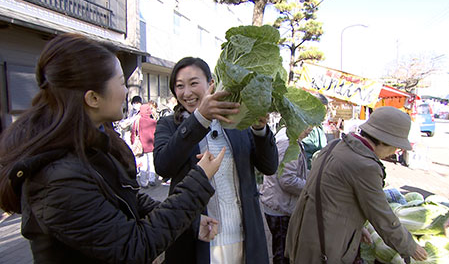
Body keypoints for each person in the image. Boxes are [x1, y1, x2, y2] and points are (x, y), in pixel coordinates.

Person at [0, 33, 225, 263]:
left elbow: (129, 200)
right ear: (93, 98)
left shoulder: (93, 143)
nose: (127, 92)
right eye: (120, 82)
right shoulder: (58, 178)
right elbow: (133, 247)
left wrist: (191, 222)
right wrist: (199, 180)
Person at [153, 57, 279, 264]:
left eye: (194, 83)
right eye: (179, 86)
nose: (187, 93)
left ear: (211, 83)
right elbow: (163, 166)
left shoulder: (236, 121)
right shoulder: (169, 125)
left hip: (245, 238)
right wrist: (200, 118)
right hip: (198, 241)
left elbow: (269, 166)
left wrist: (259, 128)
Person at [285, 106, 428, 264]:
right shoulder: (366, 166)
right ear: (382, 140)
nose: (395, 151)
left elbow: (333, 197)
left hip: (304, 234)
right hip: (324, 245)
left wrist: (357, 227)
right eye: (395, 146)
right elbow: (382, 216)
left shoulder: (336, 145)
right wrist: (410, 246)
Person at [260, 126, 312, 264]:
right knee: (283, 254)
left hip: (280, 204)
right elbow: (287, 180)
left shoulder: (292, 138)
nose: (310, 130)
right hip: (280, 207)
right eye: (307, 125)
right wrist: (310, 187)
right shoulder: (288, 142)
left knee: (283, 251)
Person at [132, 104, 158, 188]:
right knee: (151, 163)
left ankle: (143, 182)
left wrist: (133, 142)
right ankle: (152, 179)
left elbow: (133, 133)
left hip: (141, 146)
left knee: (143, 165)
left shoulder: (137, 121)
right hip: (152, 145)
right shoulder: (153, 122)